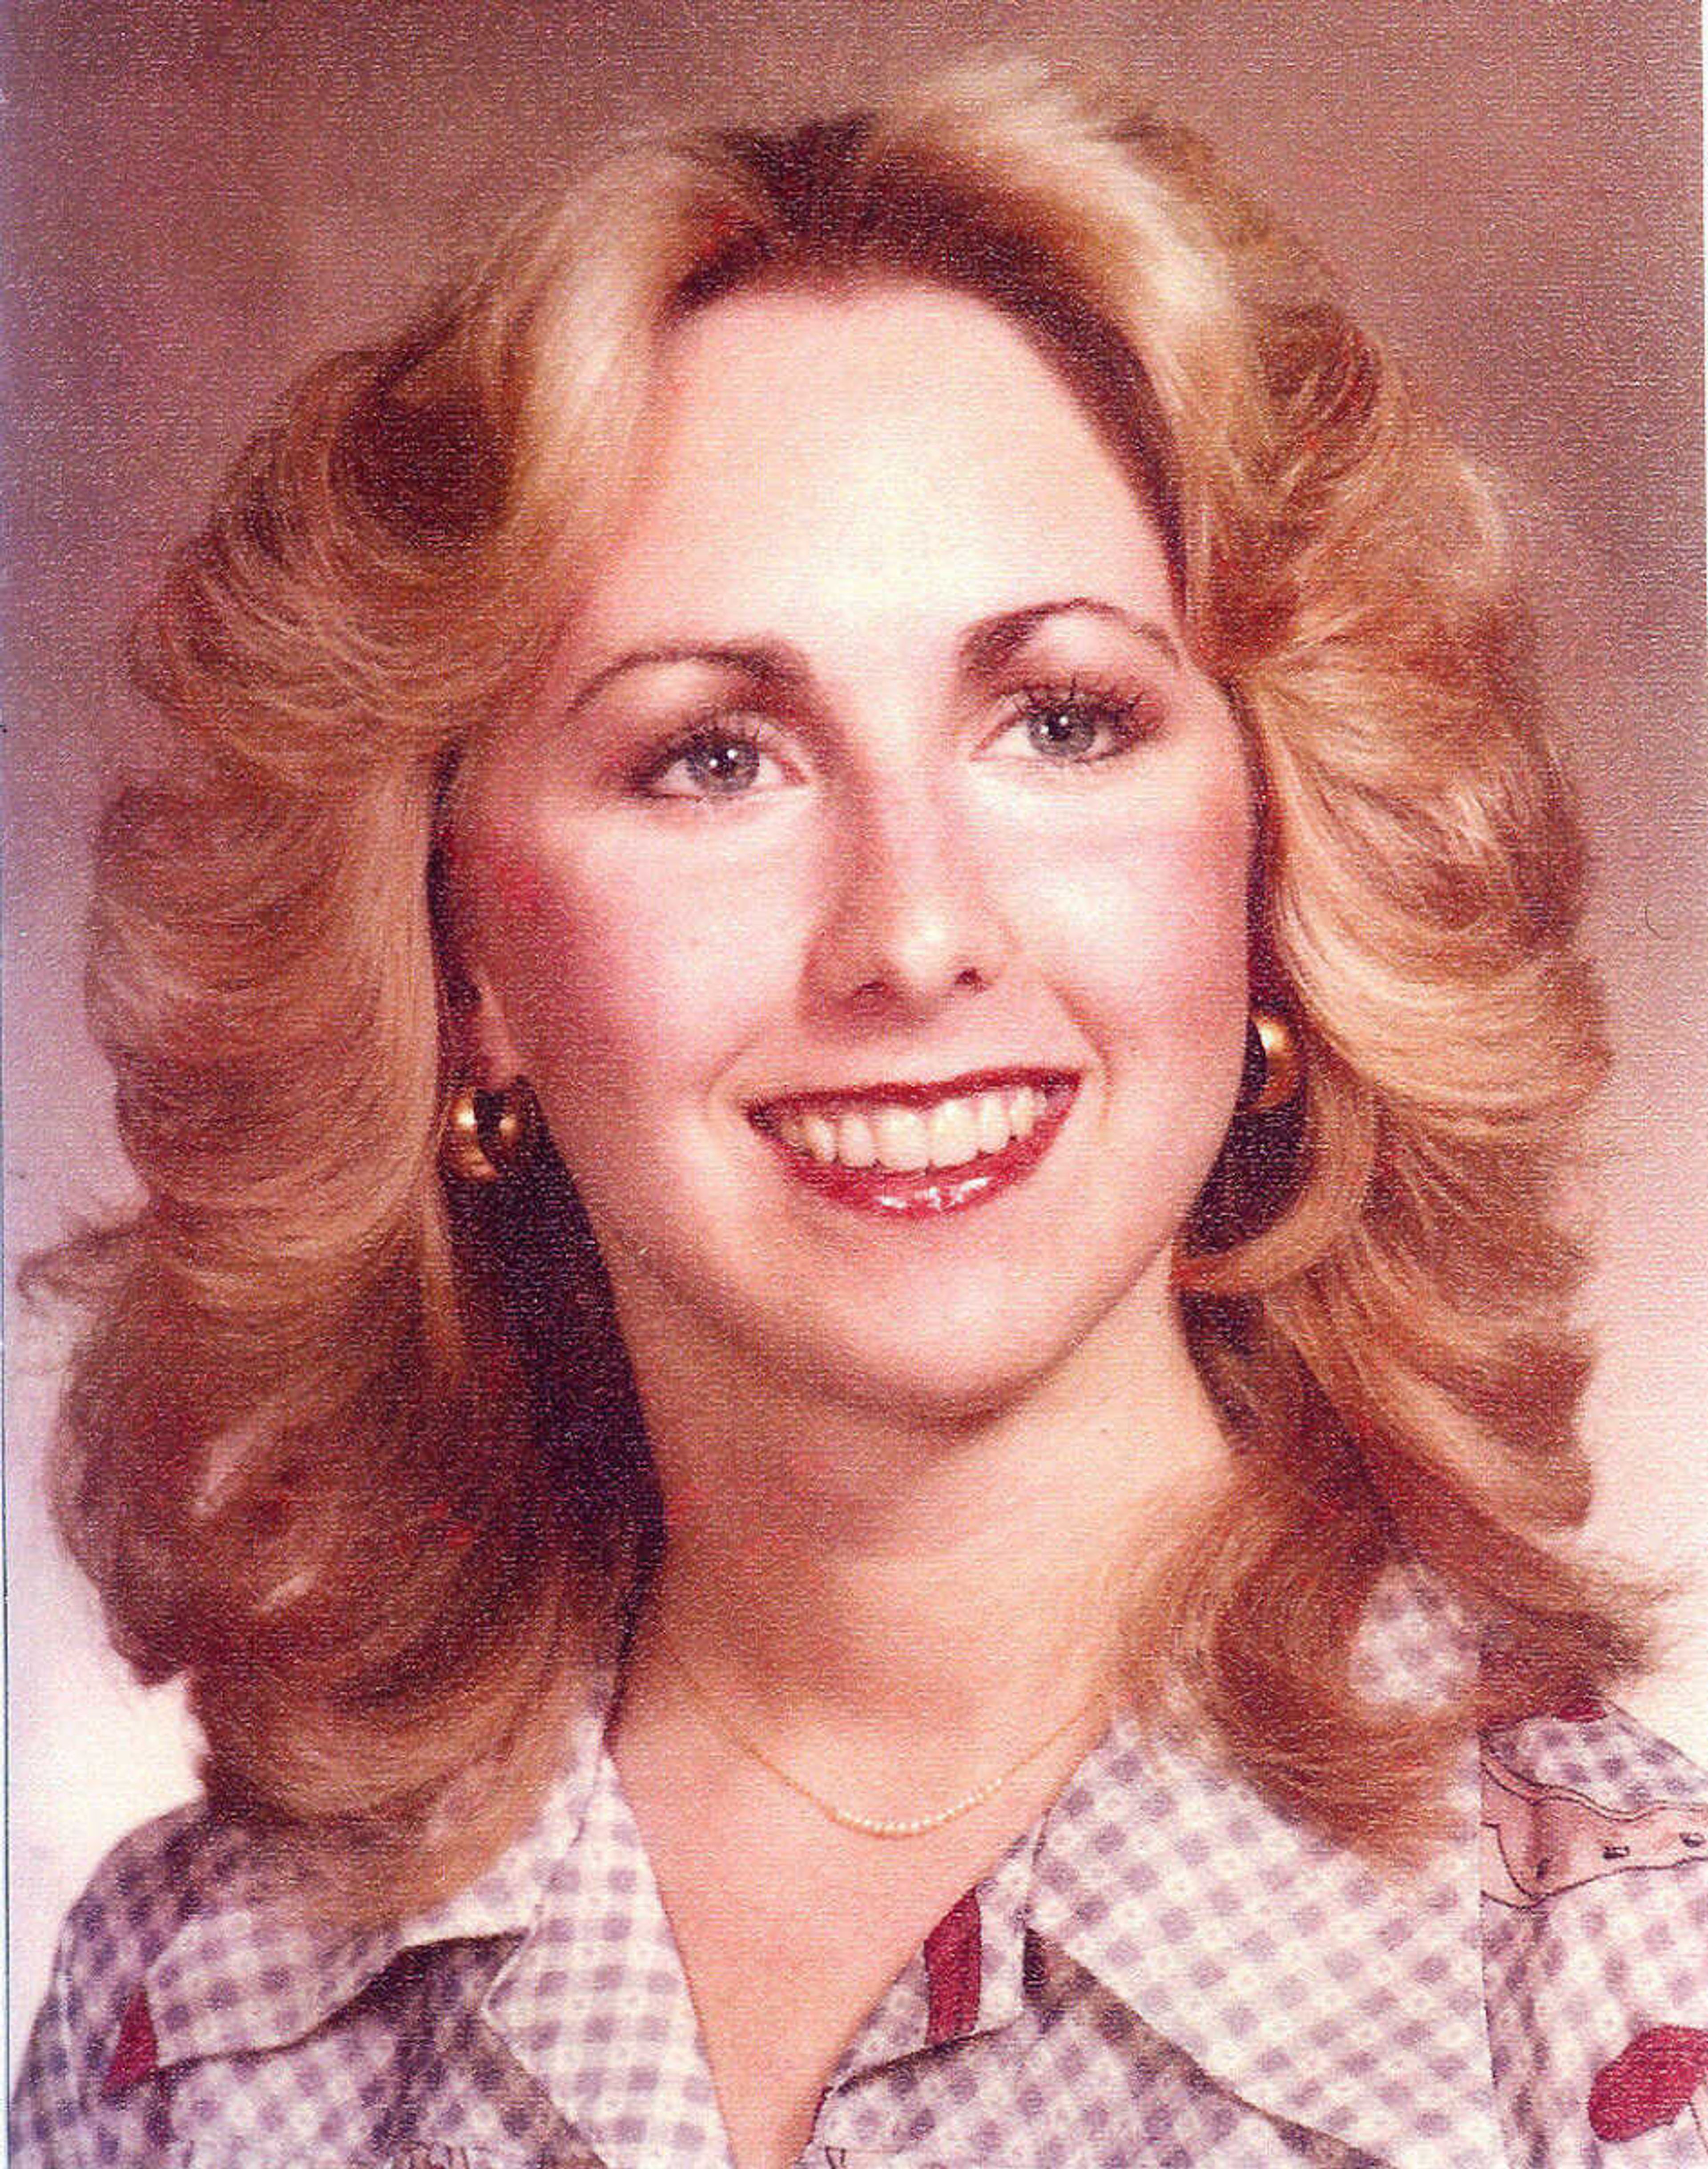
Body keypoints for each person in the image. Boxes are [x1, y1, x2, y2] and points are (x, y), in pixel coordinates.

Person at [12, 53, 1708, 2169]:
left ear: (1280, 873)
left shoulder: (1631, 1992)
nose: (914, 936)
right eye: (715, 757)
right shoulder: (196, 2011)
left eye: (1063, 720)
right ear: (458, 969)